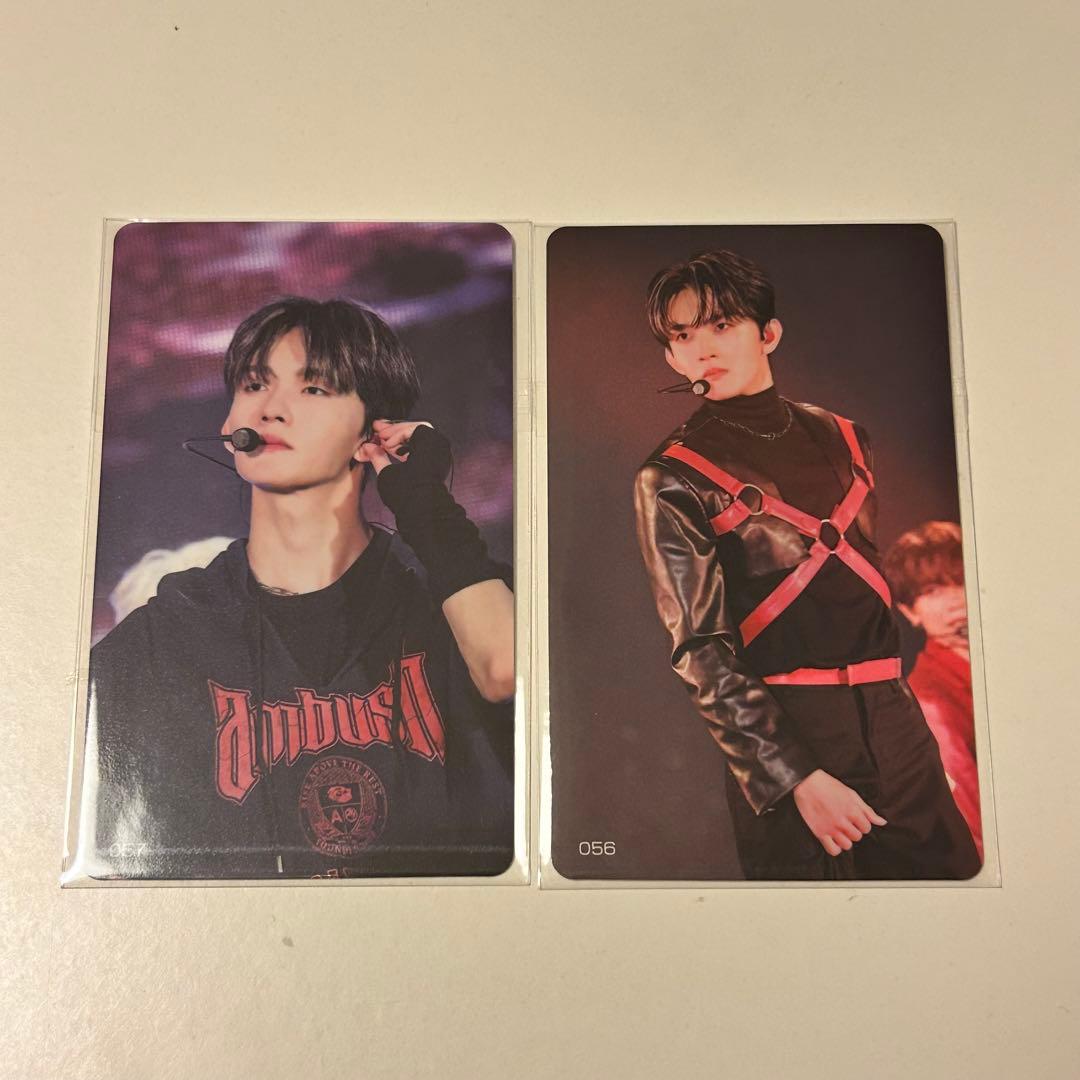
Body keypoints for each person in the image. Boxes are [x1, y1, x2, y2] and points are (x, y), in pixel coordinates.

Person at [78, 297, 515, 880]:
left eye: (314, 388)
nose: (272, 409)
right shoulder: (172, 630)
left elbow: (507, 668)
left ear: (373, 432)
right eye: (255, 385)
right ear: (228, 424)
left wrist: (424, 503)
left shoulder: (455, 598)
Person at [633, 250, 980, 880]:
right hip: (794, 740)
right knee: (819, 932)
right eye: (682, 337)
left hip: (898, 725)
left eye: (721, 325)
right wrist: (793, 777)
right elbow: (700, 650)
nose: (703, 349)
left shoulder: (848, 438)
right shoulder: (672, 477)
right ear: (672, 359)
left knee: (954, 908)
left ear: (768, 333)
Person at [884, 521, 982, 860]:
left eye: (961, 581)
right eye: (932, 591)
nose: (955, 601)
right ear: (909, 611)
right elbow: (976, 827)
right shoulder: (929, 702)